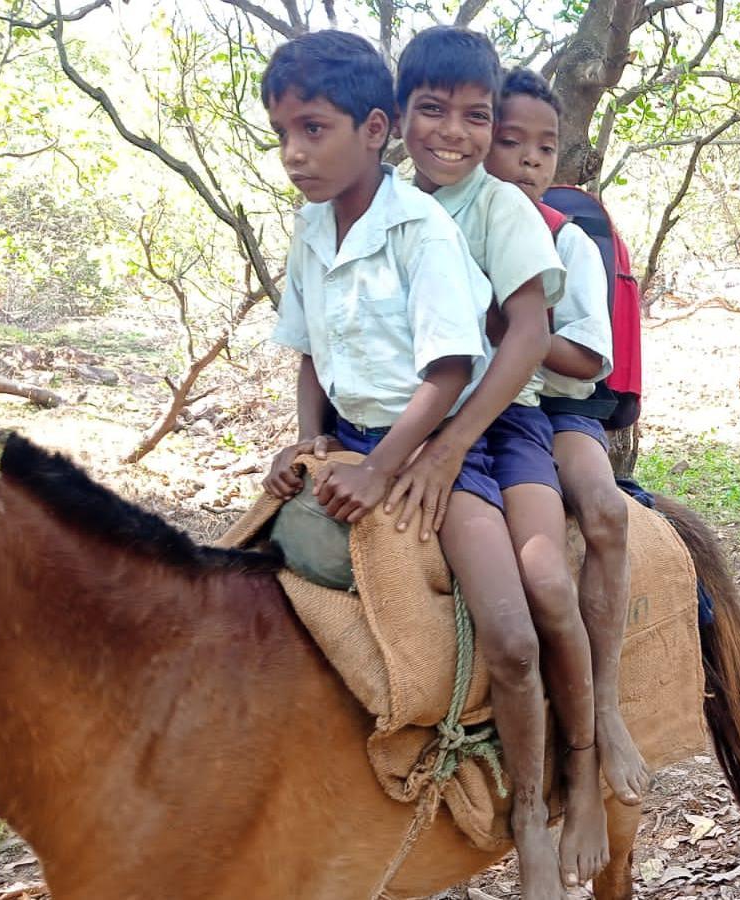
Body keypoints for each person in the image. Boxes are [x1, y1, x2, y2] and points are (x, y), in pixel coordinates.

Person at [252, 31, 561, 899]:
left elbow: (450, 371)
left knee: (509, 629)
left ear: (375, 128)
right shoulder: (313, 229)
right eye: (282, 133)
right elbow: (310, 349)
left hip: (430, 440)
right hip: (348, 434)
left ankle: (532, 814)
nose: (294, 153)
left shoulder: (420, 227)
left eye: (313, 129)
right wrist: (308, 440)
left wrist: (387, 467)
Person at [395, 27, 601, 894]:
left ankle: (571, 779)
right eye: (431, 110)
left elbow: (532, 336)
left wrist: (450, 442)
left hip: (503, 423)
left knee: (545, 586)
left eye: (475, 116)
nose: (456, 133)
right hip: (401, 425)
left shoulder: (503, 209)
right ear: (392, 119)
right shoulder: (380, 208)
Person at [485, 66, 652, 813]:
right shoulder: (443, 228)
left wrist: (516, 333)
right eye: (510, 140)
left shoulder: (569, 242)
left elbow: (588, 360)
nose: (528, 158)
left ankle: (606, 704)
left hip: (558, 410)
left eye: (544, 147)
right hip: (463, 406)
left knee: (605, 510)